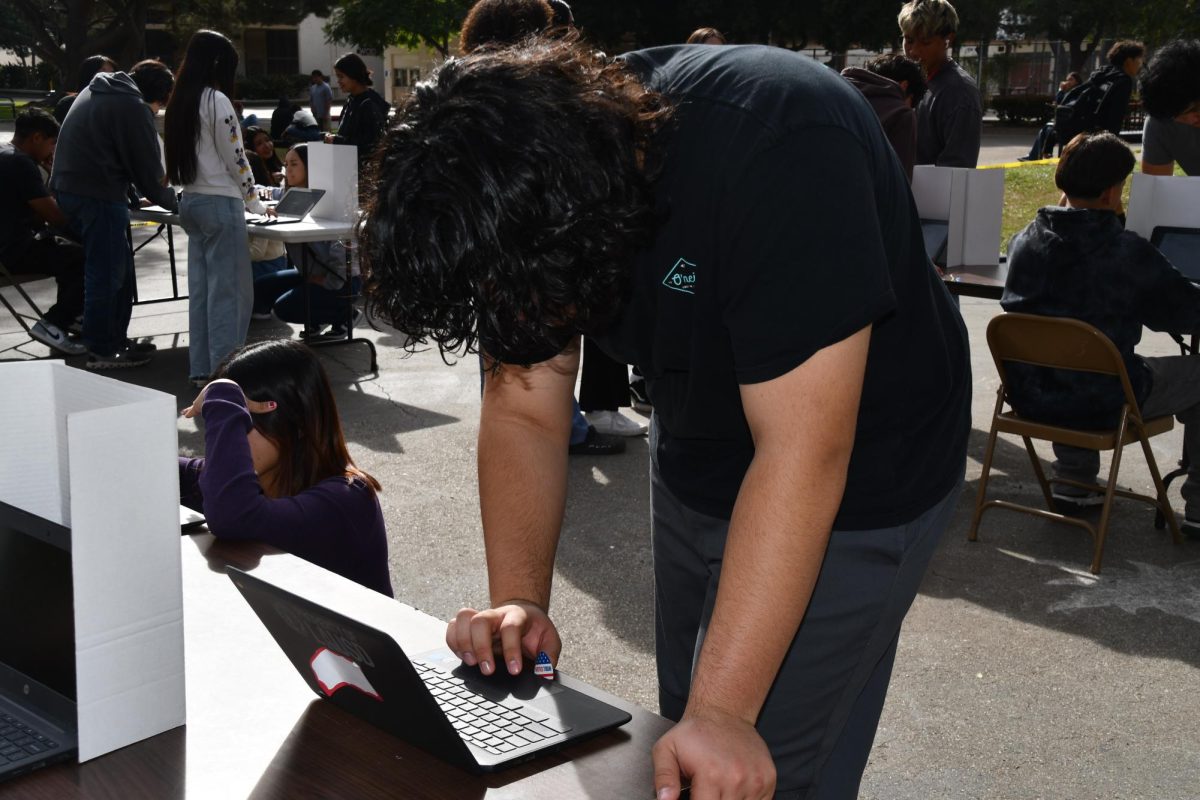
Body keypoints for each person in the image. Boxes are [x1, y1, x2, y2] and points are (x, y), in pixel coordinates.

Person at [362, 39, 970, 798]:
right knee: (683, 745)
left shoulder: (780, 144)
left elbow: (804, 450)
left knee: (764, 760)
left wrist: (725, 711)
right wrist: (520, 600)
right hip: (697, 433)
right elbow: (524, 405)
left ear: (578, 208)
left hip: (864, 464)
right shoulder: (518, 181)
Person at [459, 0, 641, 442]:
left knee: (505, 367)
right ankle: (565, 431)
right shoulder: (533, 95)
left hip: (493, 252)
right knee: (537, 364)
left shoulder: (466, 93)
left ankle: (536, 431)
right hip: (534, 252)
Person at [1001, 131, 1200, 533]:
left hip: (1031, 394)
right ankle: (1199, 504)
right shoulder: (1125, 251)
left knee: (1074, 353)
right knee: (1115, 366)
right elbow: (1184, 314)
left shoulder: (1024, 241)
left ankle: (1074, 481)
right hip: (1104, 401)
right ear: (1113, 192)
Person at [179, 339, 393, 595]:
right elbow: (147, 467)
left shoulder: (348, 500)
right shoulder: (246, 480)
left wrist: (223, 395)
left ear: (298, 422)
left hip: (344, 636)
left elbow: (233, 517)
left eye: (243, 420)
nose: (231, 441)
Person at [50, 59, 177, 369]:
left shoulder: (101, 89)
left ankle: (114, 341)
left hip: (71, 188)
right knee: (107, 274)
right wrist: (181, 204)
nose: (159, 112)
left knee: (116, 270)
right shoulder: (133, 107)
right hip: (97, 194)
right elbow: (149, 172)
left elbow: (107, 149)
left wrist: (134, 195)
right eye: (161, 105)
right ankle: (102, 350)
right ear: (158, 97)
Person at [164, 29, 270, 388]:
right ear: (219, 65)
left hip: (191, 201)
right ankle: (226, 374)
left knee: (203, 291)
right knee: (231, 293)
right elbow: (237, 157)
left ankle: (202, 370)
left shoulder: (180, 100)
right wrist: (255, 202)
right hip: (220, 203)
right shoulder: (217, 101)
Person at [0, 109, 86, 355]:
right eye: (52, 143)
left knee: (65, 252)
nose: (52, 150)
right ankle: (54, 322)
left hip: (7, 245)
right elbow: (55, 216)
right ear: (37, 137)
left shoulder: (5, 154)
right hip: (13, 250)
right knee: (85, 257)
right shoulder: (20, 163)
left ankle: (71, 315)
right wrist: (54, 175)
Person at [253, 143, 360, 339]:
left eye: (294, 164)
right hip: (310, 273)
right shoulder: (290, 194)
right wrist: (245, 190)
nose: (288, 170)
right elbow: (264, 191)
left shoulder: (333, 200)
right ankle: (319, 317)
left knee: (284, 308)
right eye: (286, 164)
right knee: (261, 287)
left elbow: (345, 249)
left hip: (342, 280)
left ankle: (345, 316)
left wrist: (327, 281)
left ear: (311, 167)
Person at [898, 0, 982, 167]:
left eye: (925, 42)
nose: (913, 51)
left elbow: (955, 172)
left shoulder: (959, 94)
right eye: (908, 40)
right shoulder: (909, 82)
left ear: (948, 40)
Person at [842, 54, 927, 181]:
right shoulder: (901, 114)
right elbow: (899, 182)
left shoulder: (839, 93)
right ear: (904, 86)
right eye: (911, 102)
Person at [1140, 38, 1200, 176]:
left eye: (1193, 110)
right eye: (1177, 116)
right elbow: (1157, 186)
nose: (1191, 121)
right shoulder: (1161, 120)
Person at [324, 54, 390, 168]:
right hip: (348, 169)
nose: (338, 81)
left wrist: (337, 141)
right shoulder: (352, 100)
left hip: (363, 175)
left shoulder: (369, 104)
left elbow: (370, 145)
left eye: (341, 76)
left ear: (353, 75)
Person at [1019, 71, 1081, 162]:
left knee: (1047, 129)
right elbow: (1059, 102)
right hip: (1066, 123)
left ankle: (1037, 155)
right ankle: (1038, 155)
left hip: (1071, 126)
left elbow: (1064, 104)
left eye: (1071, 80)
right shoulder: (1069, 92)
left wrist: (1061, 93)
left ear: (1077, 81)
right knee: (1046, 129)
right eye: (1067, 80)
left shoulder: (1078, 92)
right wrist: (1061, 91)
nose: (1067, 82)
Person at [53, 54, 116, 124]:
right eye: (103, 71)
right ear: (88, 73)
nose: (110, 76)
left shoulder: (117, 103)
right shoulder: (69, 103)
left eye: (112, 72)